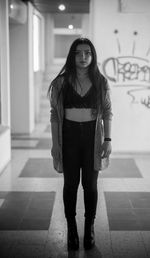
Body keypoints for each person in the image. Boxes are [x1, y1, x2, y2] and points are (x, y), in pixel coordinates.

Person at [48, 37, 113, 251]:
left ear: (92, 56)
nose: (83, 57)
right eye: (78, 53)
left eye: (87, 53)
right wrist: (56, 144)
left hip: (92, 139)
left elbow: (107, 112)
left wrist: (108, 140)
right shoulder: (61, 82)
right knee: (70, 184)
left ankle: (90, 226)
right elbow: (55, 116)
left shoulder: (100, 81)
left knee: (90, 185)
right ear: (72, 55)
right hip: (69, 137)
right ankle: (72, 228)